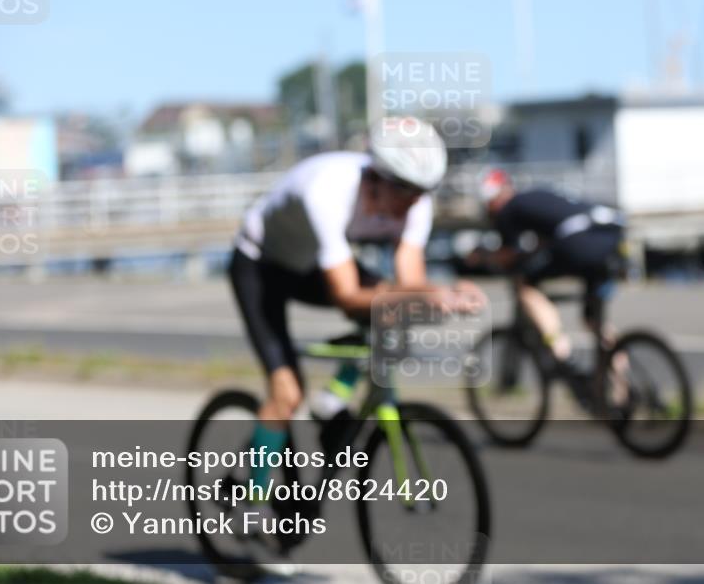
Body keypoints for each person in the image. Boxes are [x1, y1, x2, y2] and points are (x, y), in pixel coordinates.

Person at [228, 117, 482, 534]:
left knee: (392, 311)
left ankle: (333, 399)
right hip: (259, 266)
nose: (413, 205)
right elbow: (346, 295)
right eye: (405, 193)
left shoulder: (413, 202)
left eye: (421, 194)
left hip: (309, 263)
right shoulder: (327, 190)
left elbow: (410, 284)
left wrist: (446, 295)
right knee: (287, 392)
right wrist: (427, 295)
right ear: (376, 179)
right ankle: (252, 506)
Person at [472, 168, 626, 365]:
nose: (490, 208)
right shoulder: (537, 196)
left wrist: (482, 257)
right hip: (610, 233)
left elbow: (509, 255)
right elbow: (544, 241)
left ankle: (560, 349)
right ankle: (621, 378)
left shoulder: (509, 209)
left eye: (489, 202)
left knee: (525, 285)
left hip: (579, 240)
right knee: (594, 319)